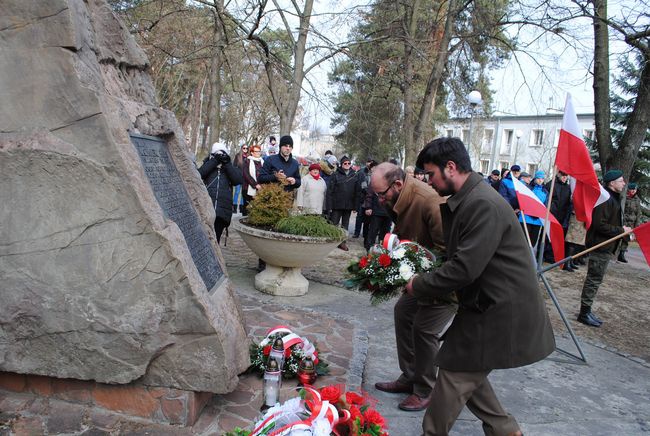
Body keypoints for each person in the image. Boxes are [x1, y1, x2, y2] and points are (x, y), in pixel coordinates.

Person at [406, 137, 555, 435]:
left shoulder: (482, 203)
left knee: (454, 373)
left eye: (431, 174)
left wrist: (418, 284)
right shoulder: (471, 199)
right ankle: (504, 429)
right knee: (464, 367)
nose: (428, 181)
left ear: (450, 167)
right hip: (485, 303)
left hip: (499, 309)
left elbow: (464, 267)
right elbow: (461, 257)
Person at [370, 163, 456, 412]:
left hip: (446, 279)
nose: (379, 200)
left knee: (425, 329)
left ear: (397, 184)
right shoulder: (398, 199)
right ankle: (410, 376)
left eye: (381, 194)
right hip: (422, 275)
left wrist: (424, 279)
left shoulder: (429, 202)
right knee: (404, 312)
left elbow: (450, 252)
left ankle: (425, 389)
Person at [578, 170, 631, 327]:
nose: (623, 183)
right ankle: (584, 313)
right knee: (593, 280)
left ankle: (586, 310)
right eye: (620, 181)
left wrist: (623, 229)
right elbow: (598, 224)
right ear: (612, 183)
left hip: (606, 246)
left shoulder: (612, 198)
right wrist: (621, 231)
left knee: (596, 279)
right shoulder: (606, 199)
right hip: (600, 246)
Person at [198, 142, 243, 243]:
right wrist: (214, 161)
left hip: (222, 212)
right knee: (204, 238)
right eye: (217, 154)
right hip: (206, 208)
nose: (220, 156)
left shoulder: (229, 168)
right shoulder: (208, 165)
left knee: (215, 240)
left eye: (222, 153)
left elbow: (237, 180)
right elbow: (199, 175)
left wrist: (227, 163)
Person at [326, 156, 360, 251]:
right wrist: (329, 206)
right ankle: (331, 242)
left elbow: (357, 192)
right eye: (345, 163)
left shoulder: (354, 175)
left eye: (349, 163)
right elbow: (329, 191)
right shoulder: (335, 174)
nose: (347, 165)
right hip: (337, 204)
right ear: (341, 164)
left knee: (345, 225)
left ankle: (342, 242)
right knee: (334, 224)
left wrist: (355, 206)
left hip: (348, 205)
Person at [544, 171, 575, 268]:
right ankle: (544, 254)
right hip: (552, 214)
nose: (564, 178)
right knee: (547, 236)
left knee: (556, 237)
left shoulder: (568, 187)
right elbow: (548, 198)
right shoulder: (551, 184)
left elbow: (568, 202)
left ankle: (551, 255)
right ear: (559, 175)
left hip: (562, 215)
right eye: (563, 176)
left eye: (566, 176)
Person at [519, 170, 548, 247]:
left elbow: (545, 205)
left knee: (533, 242)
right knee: (523, 241)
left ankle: (528, 258)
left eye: (542, 179)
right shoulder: (528, 188)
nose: (540, 180)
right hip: (526, 218)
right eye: (538, 178)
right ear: (535, 178)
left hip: (537, 220)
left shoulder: (545, 191)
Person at [353, 159, 377, 239]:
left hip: (371, 200)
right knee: (359, 217)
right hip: (363, 198)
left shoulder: (378, 176)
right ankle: (356, 233)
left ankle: (365, 234)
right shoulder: (364, 173)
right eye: (373, 167)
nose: (374, 168)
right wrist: (369, 192)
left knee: (368, 219)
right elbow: (363, 185)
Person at [619, 182, 641, 263]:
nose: (633, 191)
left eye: (634, 189)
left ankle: (621, 254)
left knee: (626, 239)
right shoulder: (624, 198)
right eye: (632, 189)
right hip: (623, 221)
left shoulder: (637, 200)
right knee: (618, 237)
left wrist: (637, 225)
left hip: (631, 223)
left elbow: (638, 214)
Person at [232, 144, 249, 215]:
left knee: (243, 194)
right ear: (241, 148)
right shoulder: (238, 156)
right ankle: (234, 207)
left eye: (246, 148)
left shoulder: (248, 157)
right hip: (239, 177)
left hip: (245, 178)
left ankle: (242, 208)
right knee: (237, 192)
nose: (245, 149)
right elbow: (234, 166)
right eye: (244, 148)